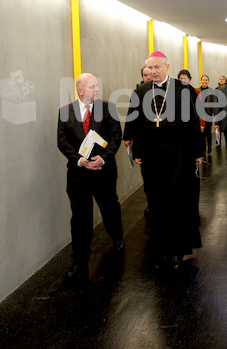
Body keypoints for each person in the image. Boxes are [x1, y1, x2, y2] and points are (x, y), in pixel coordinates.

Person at [128, 52, 204, 270]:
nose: (153, 71)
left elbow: (192, 122)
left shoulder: (182, 89)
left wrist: (198, 150)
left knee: (178, 200)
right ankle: (161, 247)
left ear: (167, 67)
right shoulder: (141, 91)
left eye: (157, 67)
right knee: (157, 200)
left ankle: (178, 250)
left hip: (178, 153)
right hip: (152, 155)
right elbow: (136, 123)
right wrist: (137, 150)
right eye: (149, 68)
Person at [57, 73, 123, 284]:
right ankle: (79, 262)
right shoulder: (65, 112)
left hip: (103, 172)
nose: (97, 89)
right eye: (92, 86)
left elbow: (116, 136)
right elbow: (62, 141)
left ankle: (118, 237)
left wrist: (102, 159)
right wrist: (79, 160)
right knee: (80, 218)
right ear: (80, 90)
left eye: (97, 85)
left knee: (109, 207)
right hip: (78, 175)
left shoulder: (107, 108)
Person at [123, 66, 153, 217]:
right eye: (145, 75)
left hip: (161, 144)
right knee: (147, 177)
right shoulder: (137, 93)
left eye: (150, 74)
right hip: (143, 143)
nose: (148, 77)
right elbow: (131, 116)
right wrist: (127, 137)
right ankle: (151, 203)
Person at [200, 74, 217, 155]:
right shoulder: (197, 90)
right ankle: (203, 149)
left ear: (208, 81)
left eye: (206, 80)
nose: (204, 81)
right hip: (200, 116)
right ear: (201, 81)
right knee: (201, 134)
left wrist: (214, 115)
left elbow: (214, 104)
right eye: (203, 79)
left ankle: (209, 148)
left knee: (208, 133)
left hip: (208, 115)